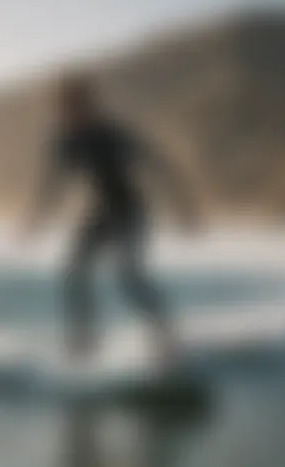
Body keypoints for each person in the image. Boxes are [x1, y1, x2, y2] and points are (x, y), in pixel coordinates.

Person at [24, 72, 199, 362]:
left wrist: (185, 209)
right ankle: (84, 344)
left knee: (128, 276)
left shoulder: (112, 133)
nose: (69, 112)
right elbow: (51, 185)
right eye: (64, 106)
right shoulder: (65, 141)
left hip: (130, 210)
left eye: (75, 104)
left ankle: (166, 339)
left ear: (88, 103)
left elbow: (160, 165)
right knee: (73, 274)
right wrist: (35, 220)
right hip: (99, 213)